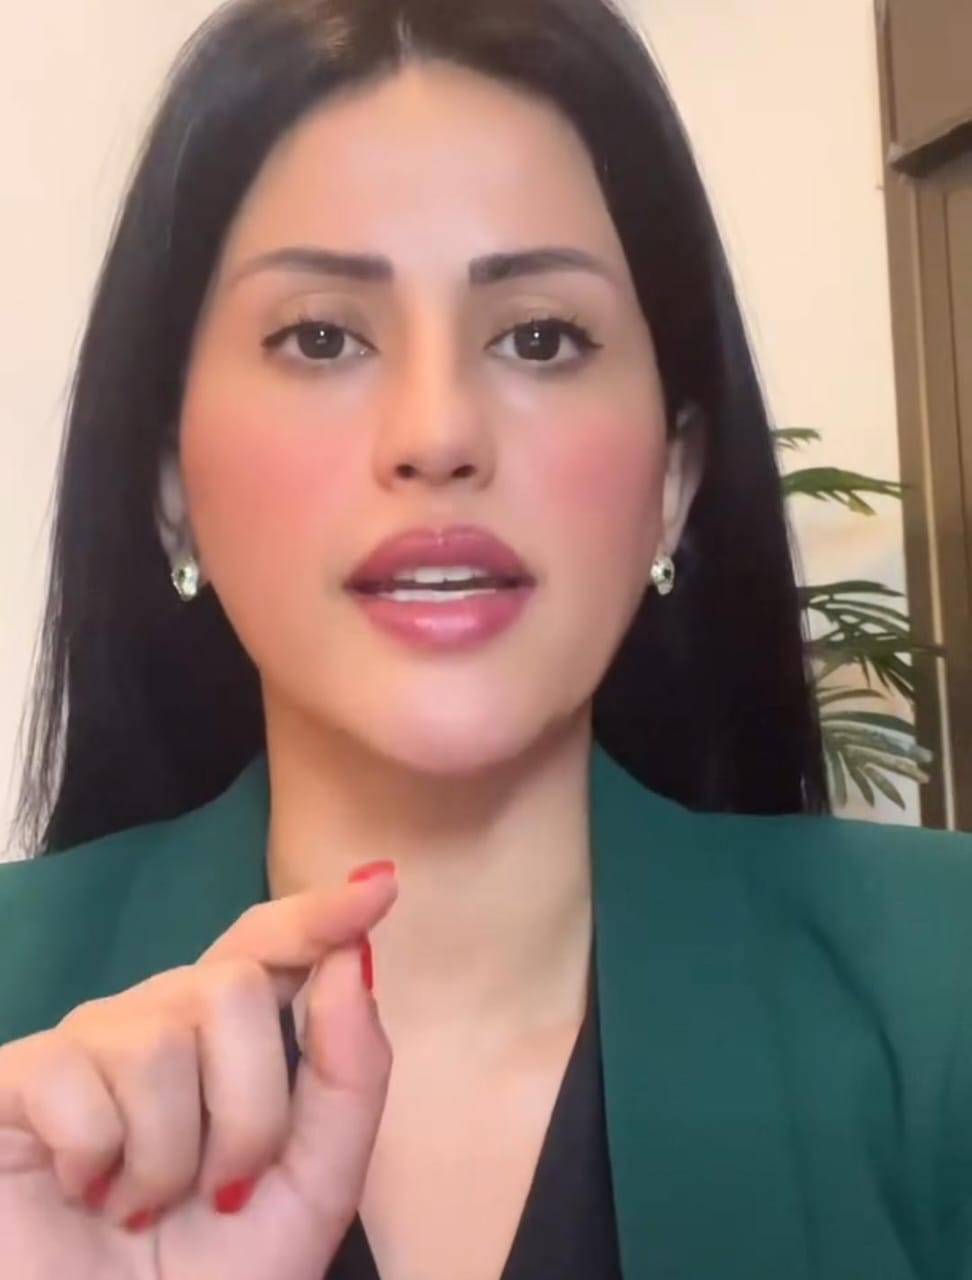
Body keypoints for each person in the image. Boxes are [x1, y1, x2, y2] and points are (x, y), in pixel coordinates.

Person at [2, 0, 971, 1276]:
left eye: (540, 337)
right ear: (169, 481)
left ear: (674, 478)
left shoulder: (946, 985)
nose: (439, 431)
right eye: (321, 337)